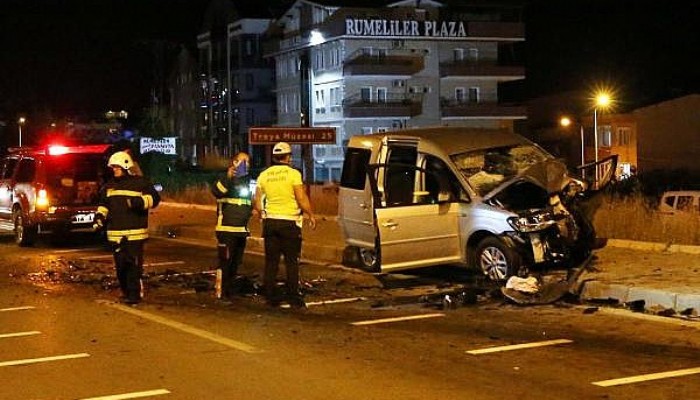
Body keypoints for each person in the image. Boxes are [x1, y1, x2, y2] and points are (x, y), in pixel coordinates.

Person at [253, 142, 317, 308]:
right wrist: (310, 214)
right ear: (288, 156)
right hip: (289, 222)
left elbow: (257, 200)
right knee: (291, 261)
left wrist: (261, 214)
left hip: (270, 222)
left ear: (274, 157)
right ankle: (293, 296)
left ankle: (270, 295)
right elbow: (301, 197)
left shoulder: (264, 175)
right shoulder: (293, 174)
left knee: (271, 261)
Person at [94, 151, 160, 305]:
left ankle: (134, 295)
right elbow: (104, 205)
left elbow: (155, 199)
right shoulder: (109, 186)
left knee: (133, 266)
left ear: (125, 166)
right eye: (113, 168)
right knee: (120, 267)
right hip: (115, 234)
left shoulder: (140, 183)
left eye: (117, 167)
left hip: (135, 234)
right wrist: (99, 217)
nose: (114, 170)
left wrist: (140, 202)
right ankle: (126, 292)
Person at [211, 152, 253, 299]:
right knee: (226, 263)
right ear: (234, 162)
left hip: (241, 230)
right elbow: (217, 192)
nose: (246, 165)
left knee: (236, 263)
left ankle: (230, 289)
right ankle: (221, 291)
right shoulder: (225, 179)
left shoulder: (246, 182)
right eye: (243, 161)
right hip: (227, 230)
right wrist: (229, 177)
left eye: (248, 162)